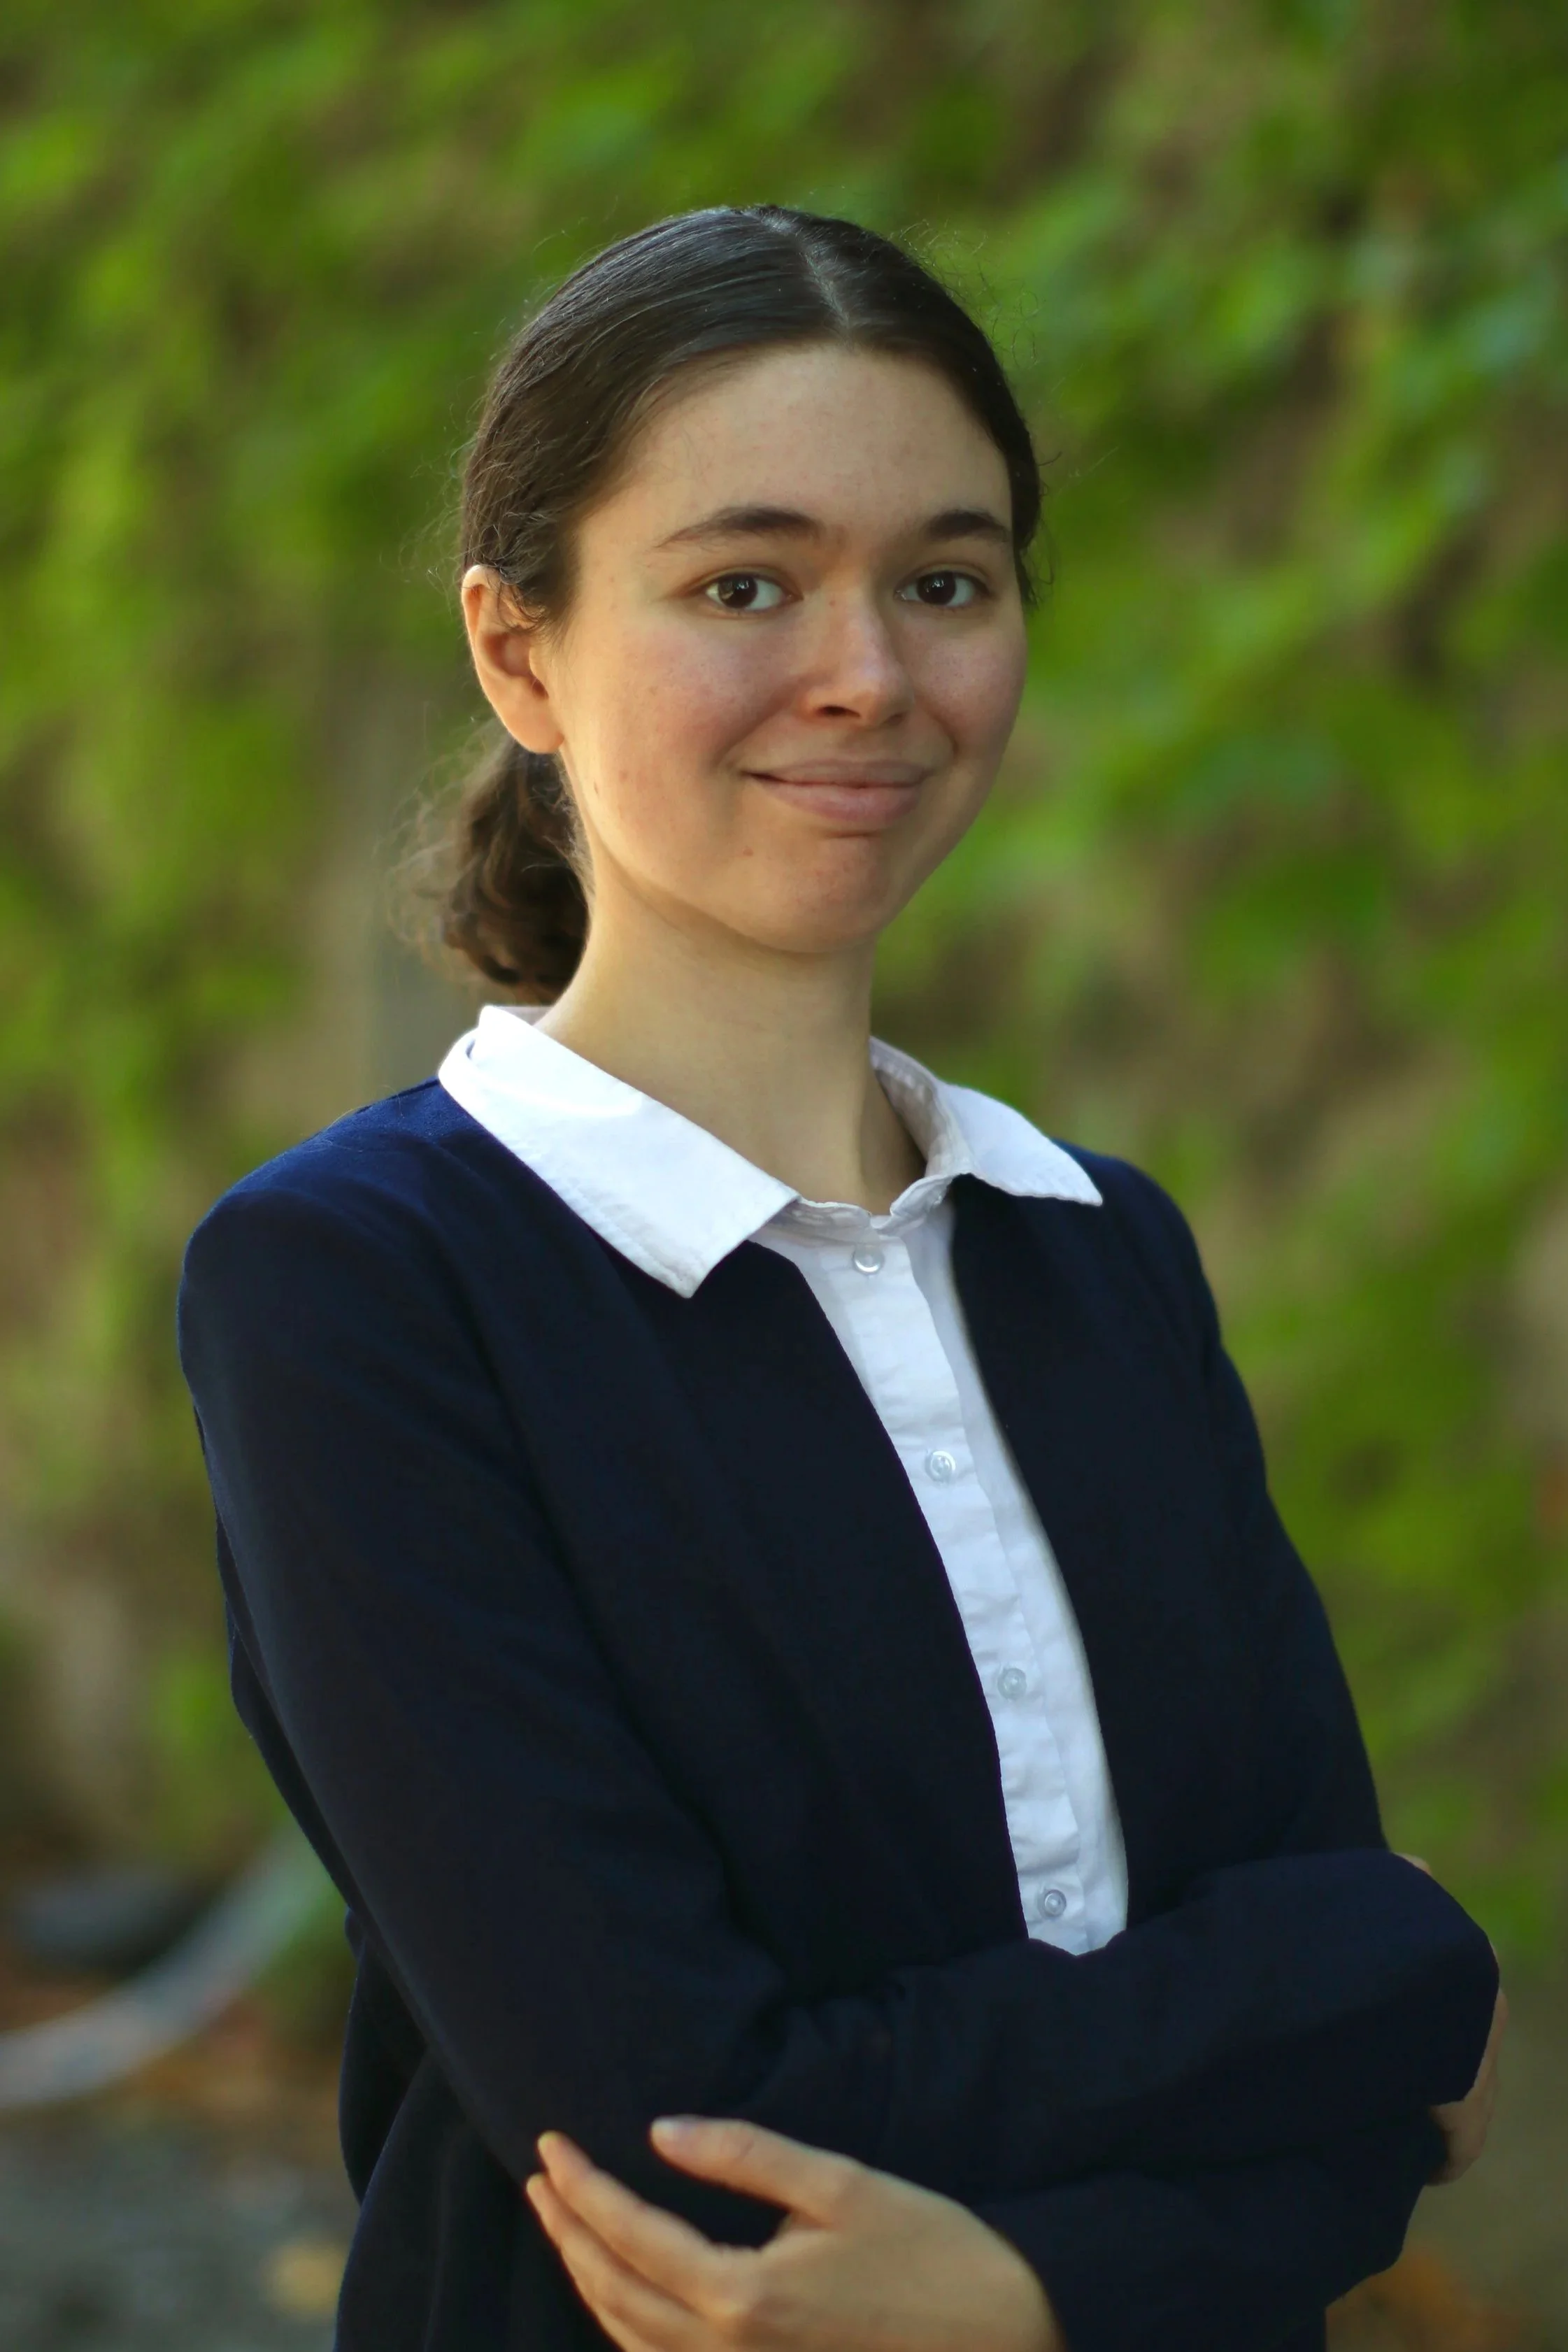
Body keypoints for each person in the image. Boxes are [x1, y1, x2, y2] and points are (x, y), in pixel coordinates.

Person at [177, 206, 1504, 2352]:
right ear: (519, 654)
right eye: (744, 585)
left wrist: (1033, 2294)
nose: (868, 674)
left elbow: (1375, 2123)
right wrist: (1368, 1967)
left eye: (945, 582)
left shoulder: (1101, 1252)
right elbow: (683, 2133)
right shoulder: (359, 1287)